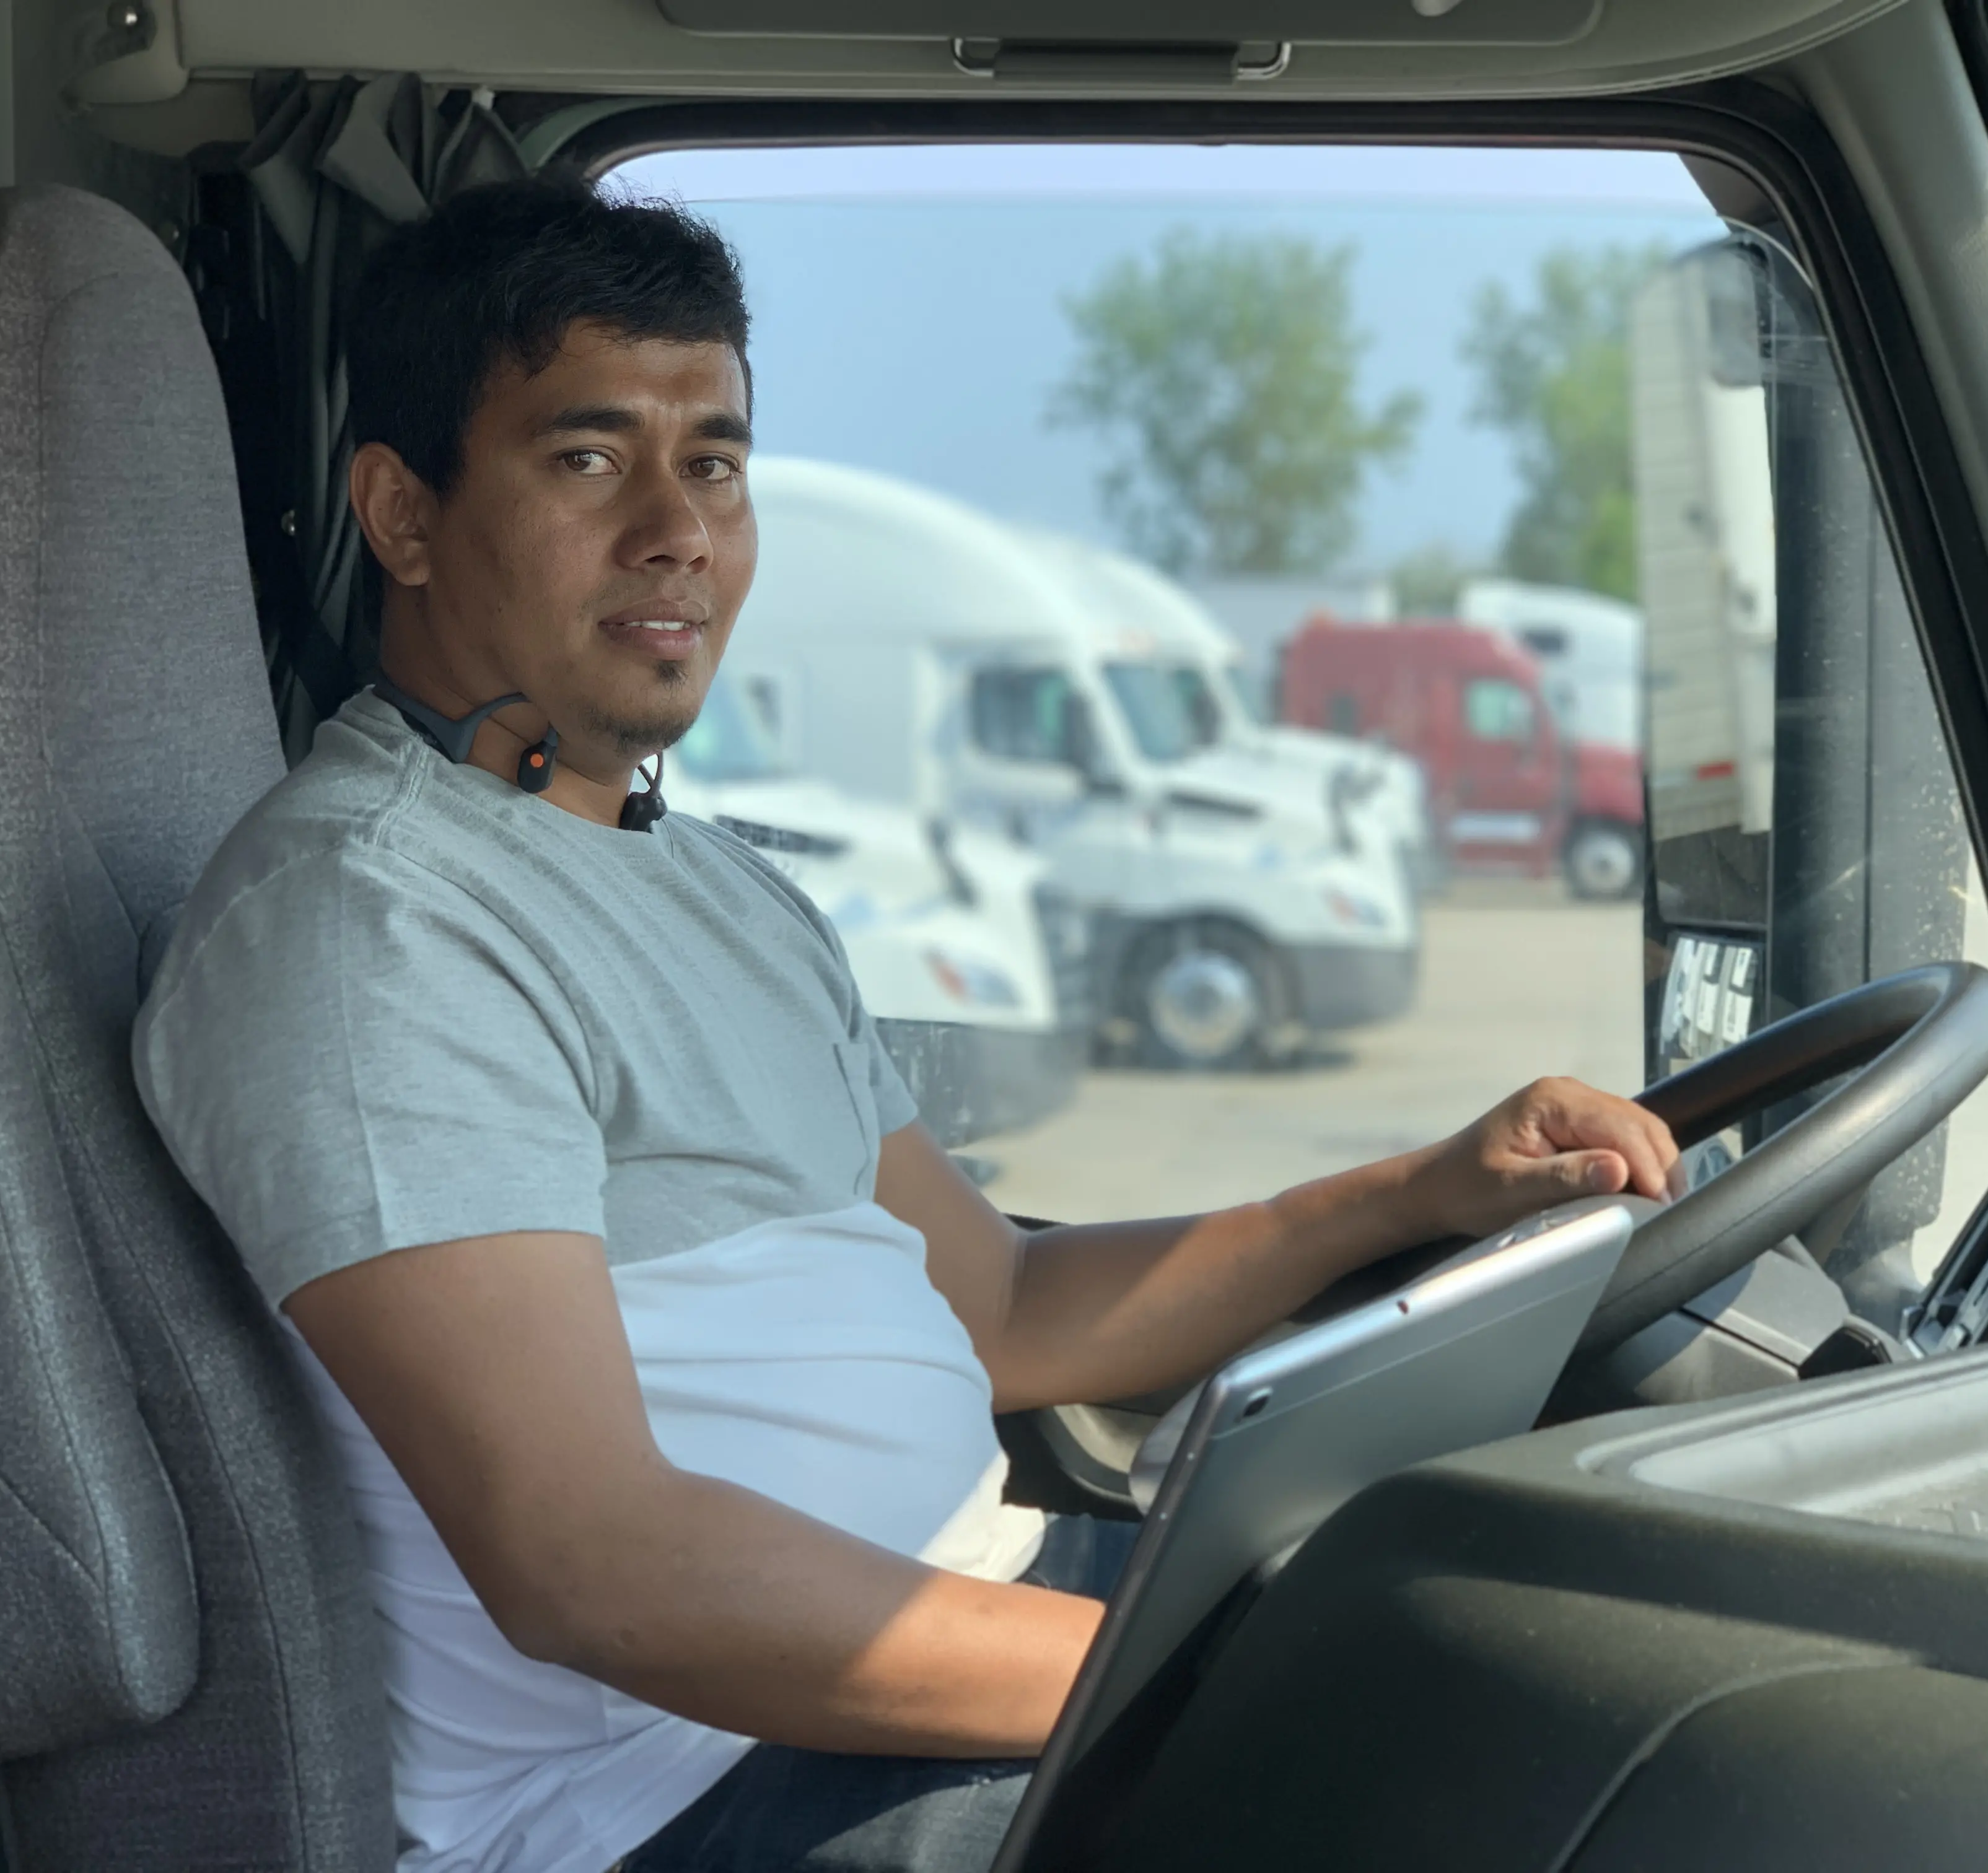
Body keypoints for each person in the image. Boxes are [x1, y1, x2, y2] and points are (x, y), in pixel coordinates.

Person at [133, 173, 1678, 1873]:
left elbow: (1001, 1301)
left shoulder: (706, 880)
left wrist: (1421, 1193)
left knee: (1633, 1654)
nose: (679, 531)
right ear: (403, 515)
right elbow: (595, 1569)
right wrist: (1221, 1664)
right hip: (684, 1792)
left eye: (714, 461)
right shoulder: (368, 923)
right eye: (589, 459)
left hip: (941, 1633)